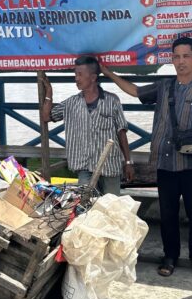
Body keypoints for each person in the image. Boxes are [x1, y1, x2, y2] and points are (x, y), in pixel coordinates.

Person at [101, 37, 192, 281]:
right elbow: (134, 91)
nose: (181, 61)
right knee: (167, 214)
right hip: (165, 164)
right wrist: (107, 72)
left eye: (186, 56)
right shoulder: (164, 87)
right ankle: (170, 256)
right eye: (176, 57)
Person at [41, 56, 133, 195]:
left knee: (111, 208)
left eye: (80, 74)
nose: (76, 78)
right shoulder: (71, 103)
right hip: (85, 168)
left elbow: (121, 132)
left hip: (110, 167)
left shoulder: (112, 100)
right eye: (75, 74)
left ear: (93, 77)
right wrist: (49, 92)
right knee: (85, 208)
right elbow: (46, 117)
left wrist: (128, 163)